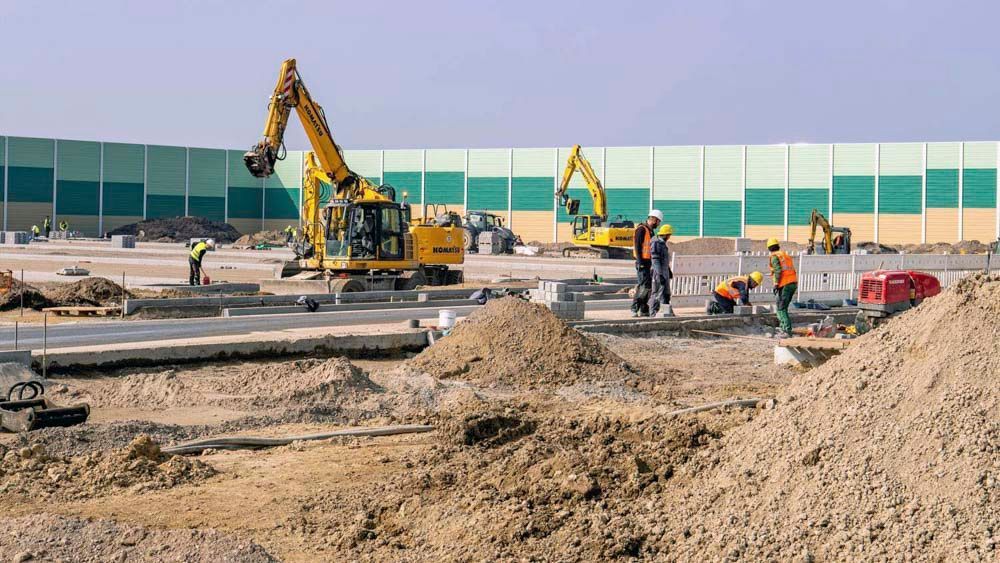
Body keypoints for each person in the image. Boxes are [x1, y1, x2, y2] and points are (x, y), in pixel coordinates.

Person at [631, 209, 663, 317]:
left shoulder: (650, 231)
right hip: (642, 262)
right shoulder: (641, 229)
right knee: (643, 286)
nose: (658, 224)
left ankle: (644, 309)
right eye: (658, 222)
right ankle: (634, 308)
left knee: (648, 287)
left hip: (648, 262)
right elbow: (637, 247)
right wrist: (640, 262)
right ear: (653, 219)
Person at [767, 237, 798, 338]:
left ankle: (786, 330)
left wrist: (776, 284)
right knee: (783, 307)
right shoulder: (784, 255)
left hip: (785, 284)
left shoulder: (775, 256)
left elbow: (778, 270)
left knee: (781, 308)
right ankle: (783, 328)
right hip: (792, 282)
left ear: (769, 248)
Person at [648, 224, 674, 317]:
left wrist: (668, 270)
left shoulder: (662, 244)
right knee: (657, 293)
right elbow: (655, 260)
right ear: (665, 234)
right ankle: (653, 313)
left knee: (666, 294)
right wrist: (659, 274)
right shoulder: (656, 243)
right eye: (669, 235)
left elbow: (664, 260)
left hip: (664, 272)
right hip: (658, 273)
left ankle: (666, 311)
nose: (669, 237)